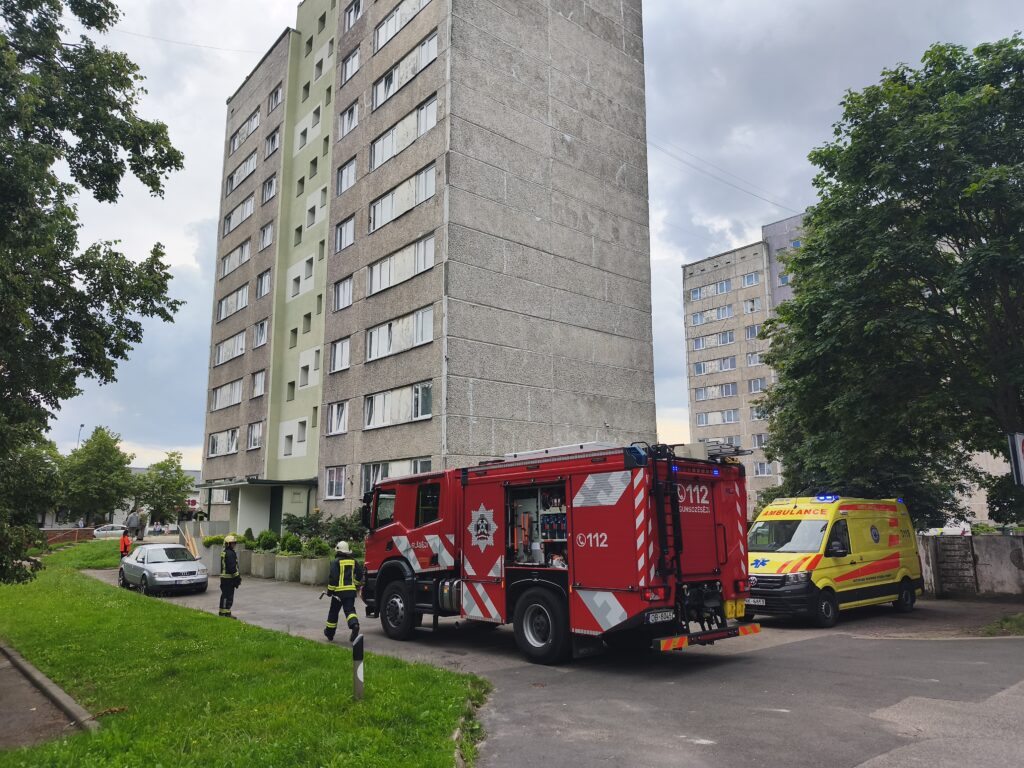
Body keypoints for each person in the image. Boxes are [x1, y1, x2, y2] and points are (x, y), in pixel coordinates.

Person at [324, 541, 363, 643]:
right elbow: (360, 573)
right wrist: (355, 583)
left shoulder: (335, 562)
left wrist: (330, 591)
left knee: (333, 612)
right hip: (350, 592)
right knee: (350, 611)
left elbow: (333, 578)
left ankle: (329, 633)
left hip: (338, 593)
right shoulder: (353, 561)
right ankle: (355, 625)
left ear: (338, 551)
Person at [219, 534, 241, 618]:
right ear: (228, 544)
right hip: (229, 579)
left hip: (225, 579)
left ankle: (224, 612)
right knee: (227, 596)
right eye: (232, 543)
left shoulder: (225, 552)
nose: (234, 544)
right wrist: (237, 577)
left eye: (234, 543)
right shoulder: (230, 553)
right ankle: (225, 613)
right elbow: (232, 567)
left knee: (225, 595)